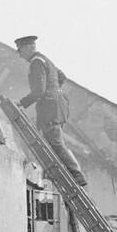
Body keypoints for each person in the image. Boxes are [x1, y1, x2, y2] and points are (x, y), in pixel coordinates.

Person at [15, 34, 87, 186]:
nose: (20, 55)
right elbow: (61, 77)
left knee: (55, 142)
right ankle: (72, 173)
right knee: (55, 141)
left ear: (28, 48)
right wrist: (53, 90)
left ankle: (76, 175)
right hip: (58, 106)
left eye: (20, 51)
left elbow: (38, 91)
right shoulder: (46, 60)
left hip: (49, 108)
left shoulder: (36, 63)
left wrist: (21, 103)